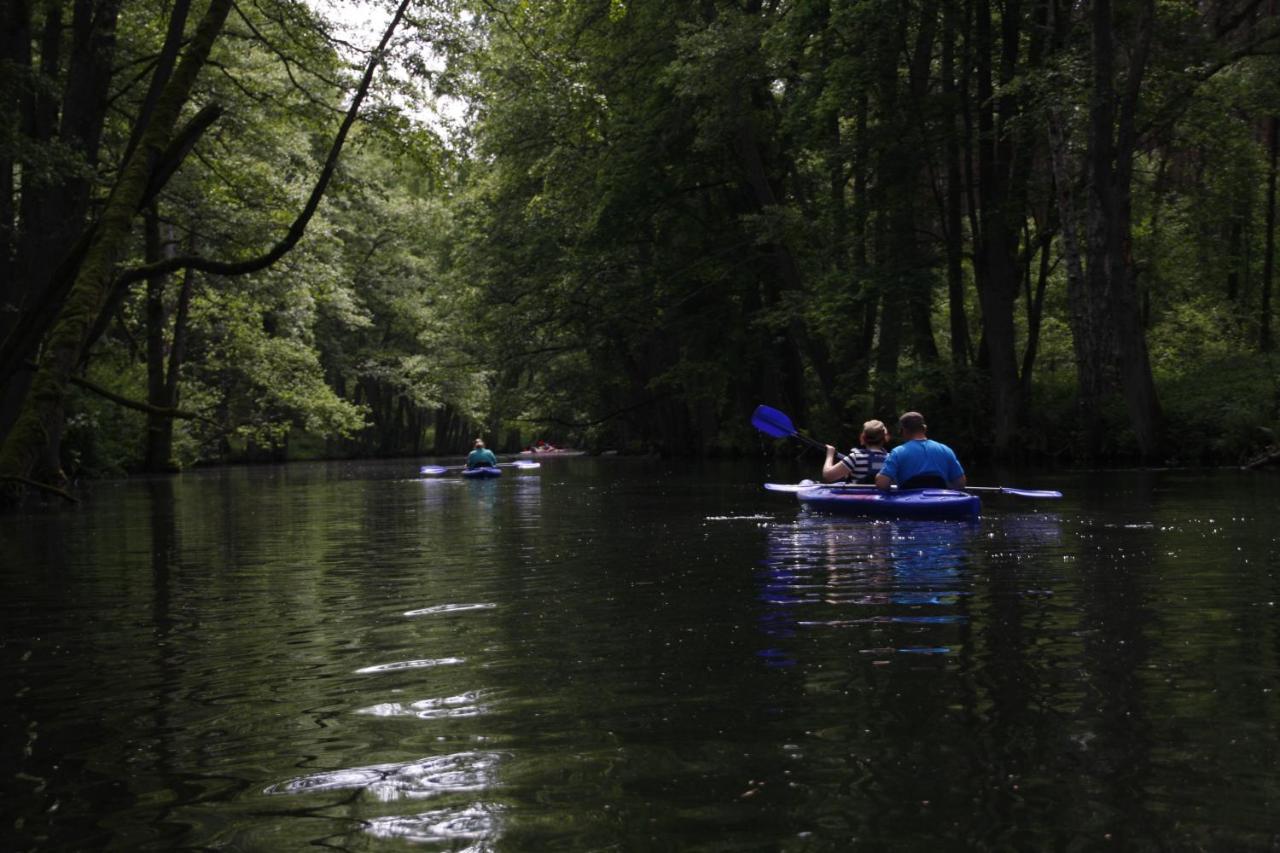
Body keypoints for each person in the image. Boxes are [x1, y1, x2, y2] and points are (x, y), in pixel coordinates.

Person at [875, 411, 966, 490]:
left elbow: (882, 484)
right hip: (939, 506)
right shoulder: (946, 450)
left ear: (903, 430)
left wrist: (878, 477)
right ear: (924, 428)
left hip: (910, 507)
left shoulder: (897, 452)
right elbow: (960, 483)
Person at [822, 419, 889, 484]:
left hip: (859, 495)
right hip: (881, 495)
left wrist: (830, 454)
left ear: (862, 438)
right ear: (885, 438)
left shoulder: (855, 457)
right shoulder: (891, 459)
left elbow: (827, 476)